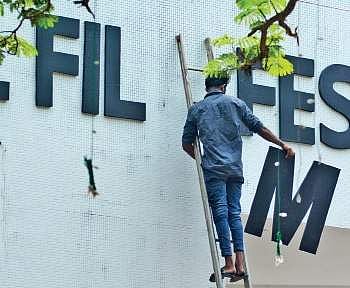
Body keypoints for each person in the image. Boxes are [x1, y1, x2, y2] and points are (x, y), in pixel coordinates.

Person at [182, 76, 295, 282]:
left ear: (207, 88)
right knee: (234, 213)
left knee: (220, 214)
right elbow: (259, 128)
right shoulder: (235, 103)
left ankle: (229, 263)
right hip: (235, 169)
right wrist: (282, 144)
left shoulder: (197, 109)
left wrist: (203, 163)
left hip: (214, 170)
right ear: (223, 87)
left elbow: (187, 143)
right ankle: (240, 263)